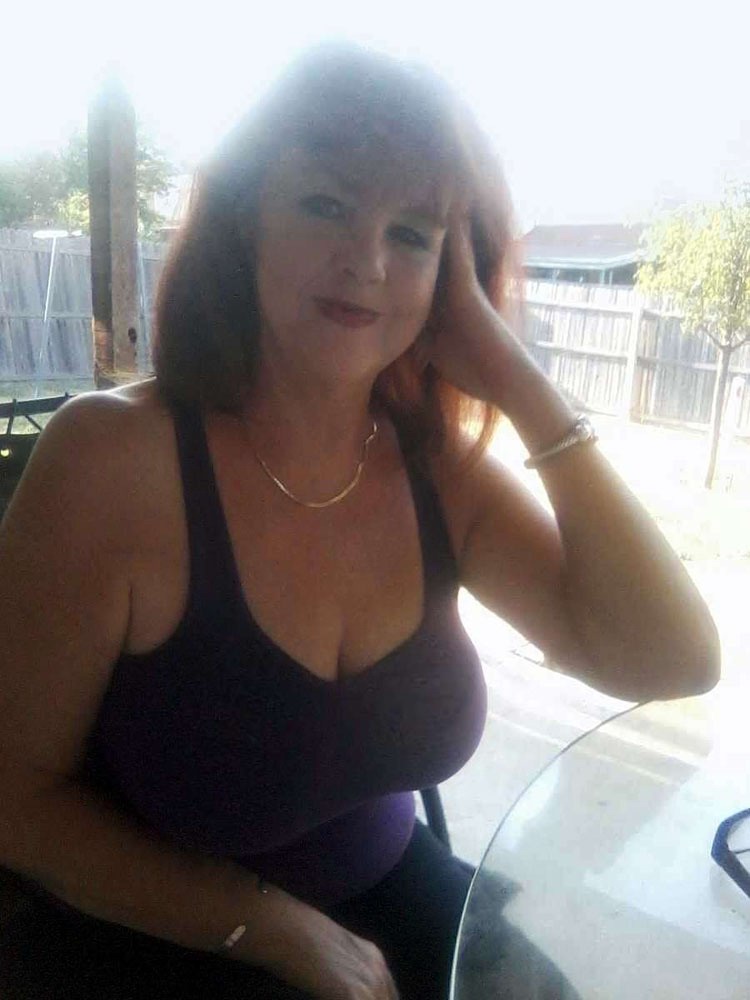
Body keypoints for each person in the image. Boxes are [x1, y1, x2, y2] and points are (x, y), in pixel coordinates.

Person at [0, 41, 719, 1000]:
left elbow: (673, 660)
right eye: (326, 204)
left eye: (413, 234)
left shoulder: (437, 471)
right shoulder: (110, 463)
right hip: (148, 928)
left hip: (390, 896)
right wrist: (272, 930)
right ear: (247, 220)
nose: (366, 261)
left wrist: (522, 385)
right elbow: (15, 799)